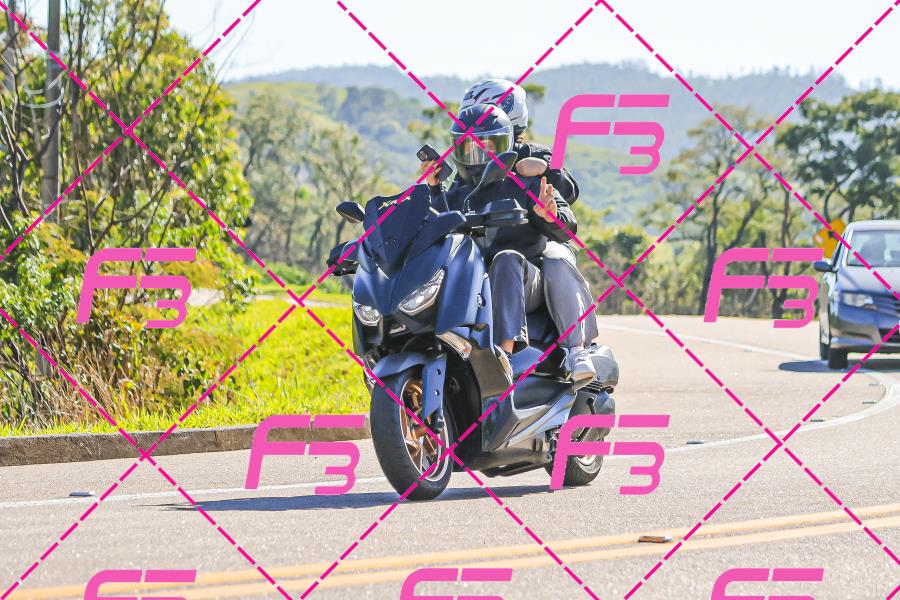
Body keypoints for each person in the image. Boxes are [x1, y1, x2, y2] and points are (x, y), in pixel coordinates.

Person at [421, 105, 599, 388]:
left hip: (527, 279)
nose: (478, 154)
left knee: (507, 258)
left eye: (487, 146)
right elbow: (435, 225)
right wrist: (432, 188)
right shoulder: (458, 193)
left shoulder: (528, 181)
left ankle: (507, 355)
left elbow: (567, 227)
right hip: (474, 284)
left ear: (506, 144)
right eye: (469, 147)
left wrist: (548, 215)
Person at [458, 79, 580, 203]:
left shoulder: (532, 153)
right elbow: (453, 199)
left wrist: (545, 169)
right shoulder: (470, 163)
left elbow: (570, 194)